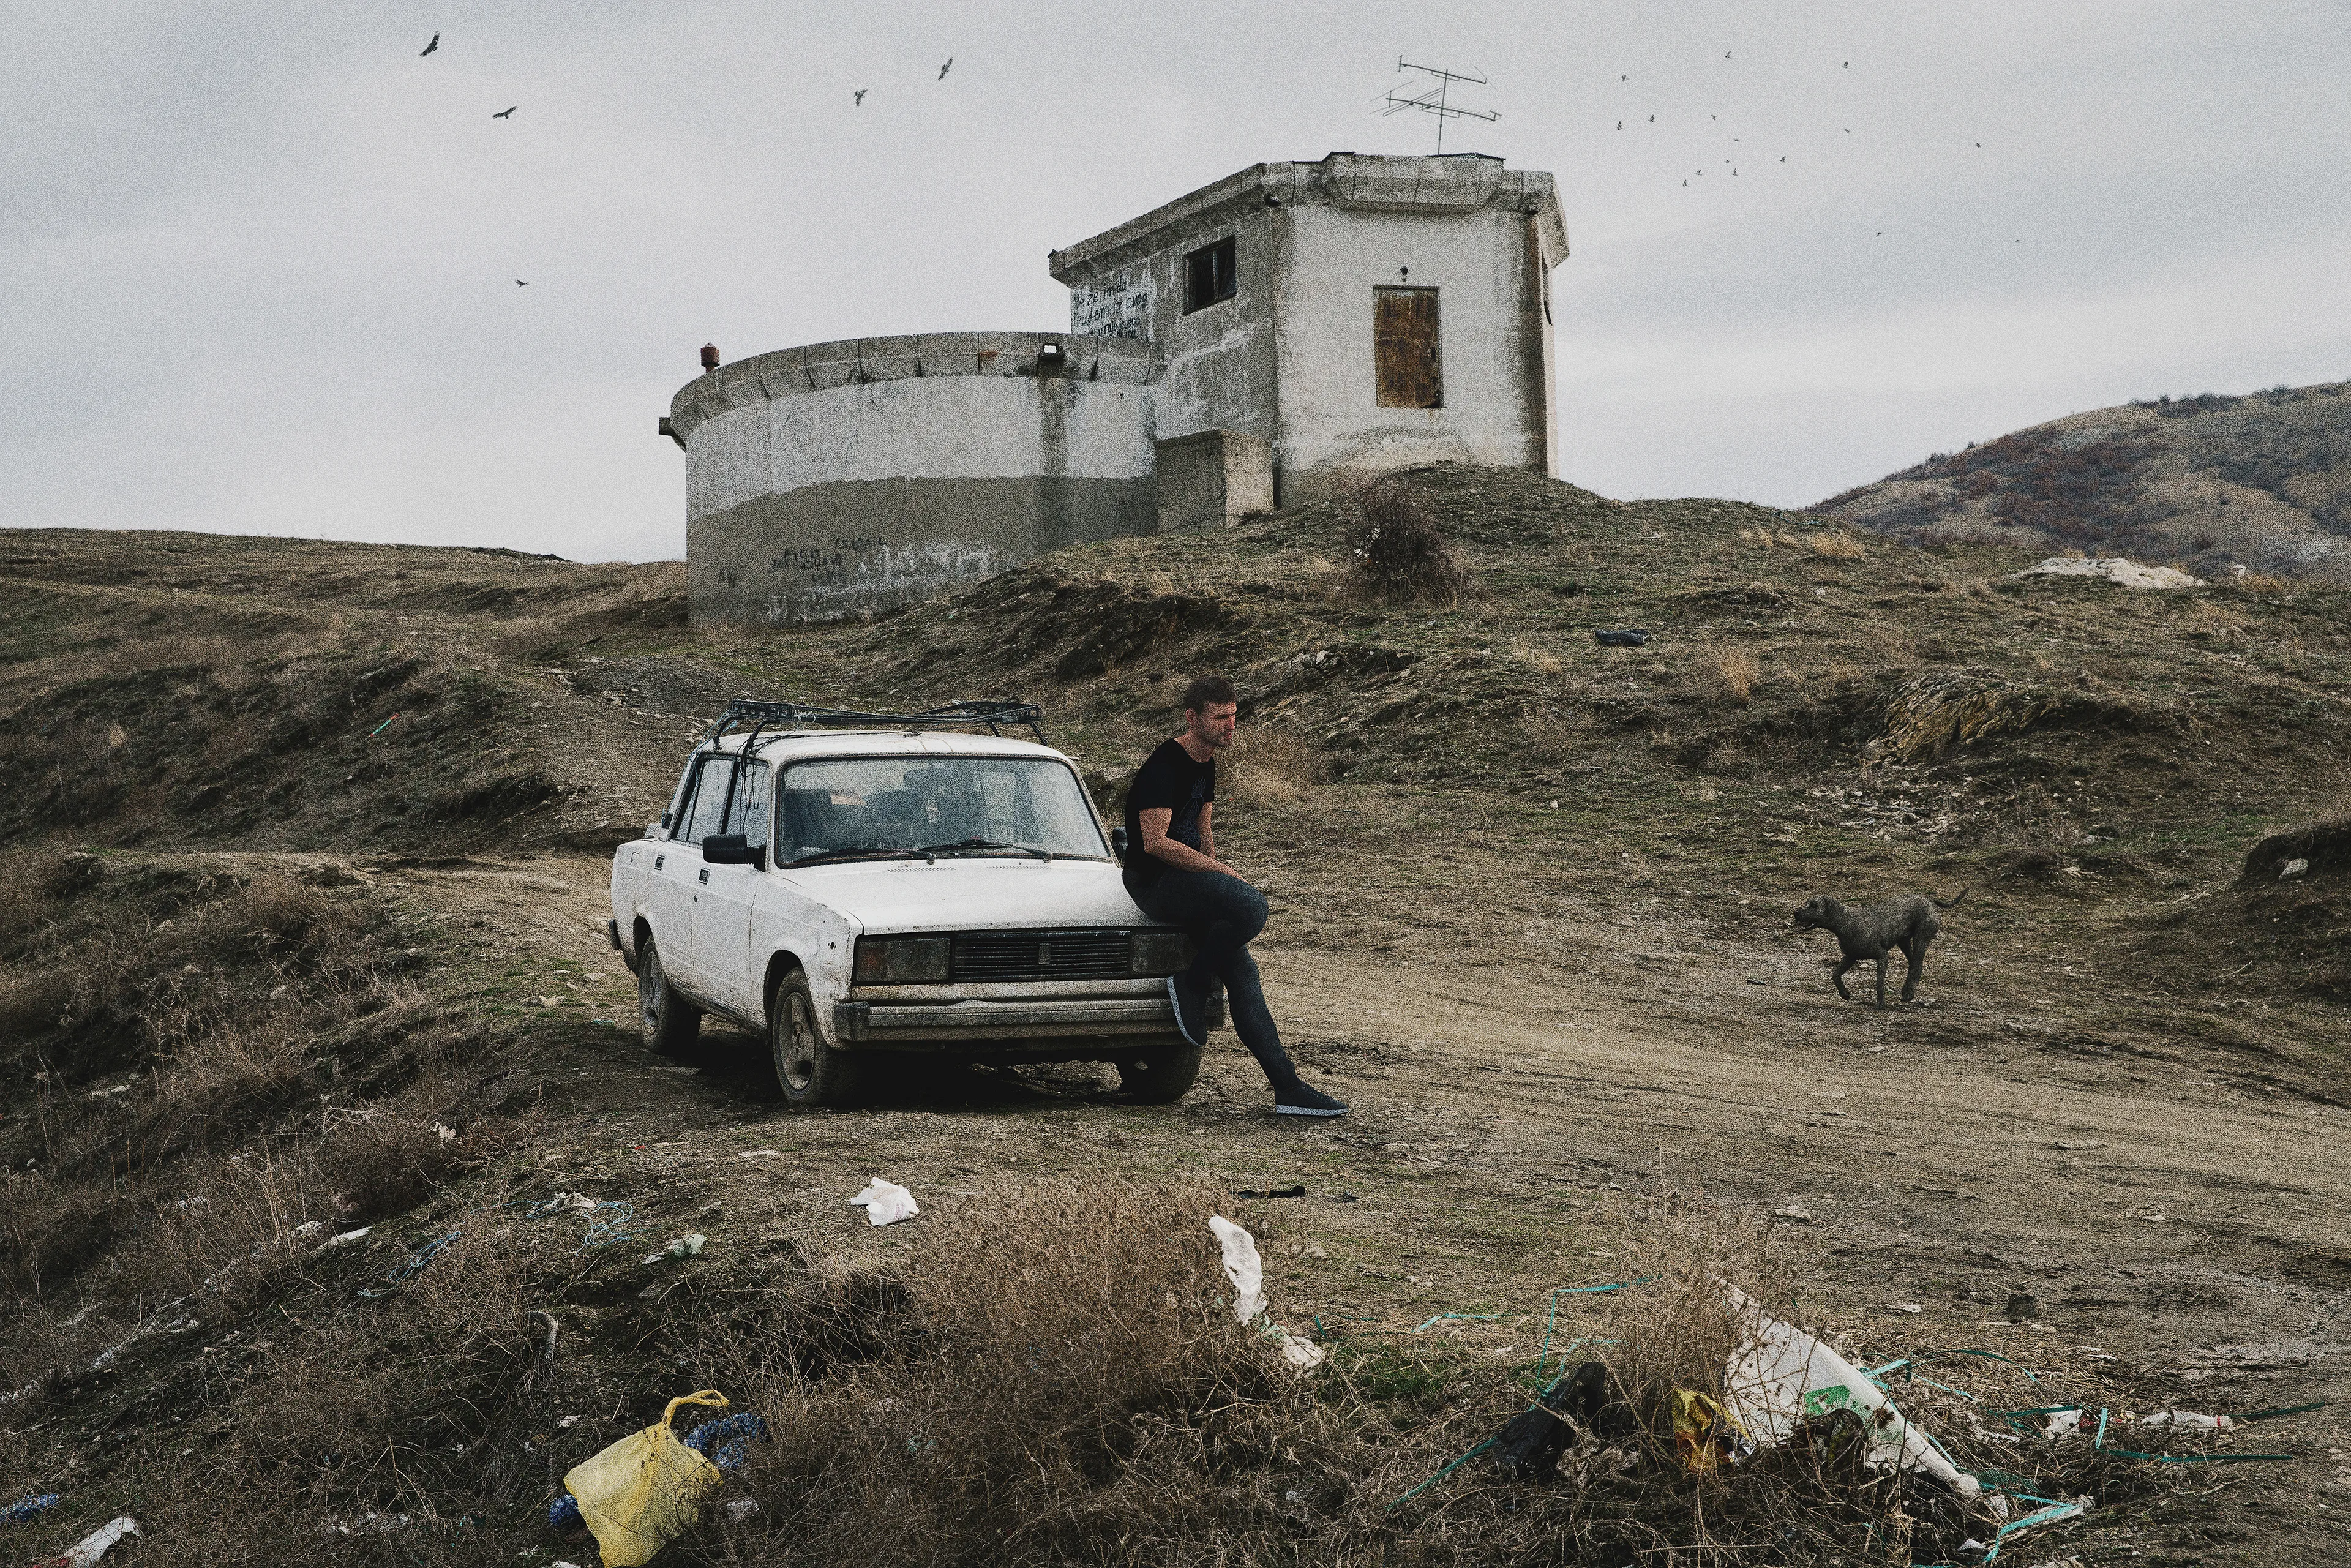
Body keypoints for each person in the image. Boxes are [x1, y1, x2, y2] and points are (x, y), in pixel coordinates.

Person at [1120, 675, 1348, 1117]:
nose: (1231, 725)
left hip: (1188, 882)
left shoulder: (1206, 763)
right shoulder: (1164, 765)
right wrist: (1222, 875)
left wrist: (1216, 874)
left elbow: (1202, 830)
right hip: (1155, 884)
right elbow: (1155, 843)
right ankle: (1191, 981)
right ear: (1193, 718)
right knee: (1252, 905)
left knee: (1244, 973)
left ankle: (1288, 1087)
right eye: (1221, 716)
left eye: (1234, 716)